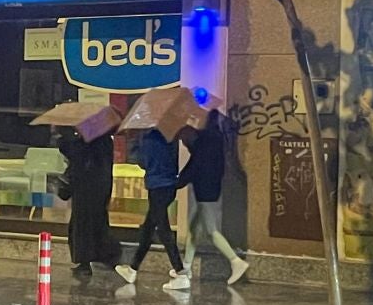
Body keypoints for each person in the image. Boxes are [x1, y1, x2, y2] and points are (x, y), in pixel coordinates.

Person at [177, 111, 248, 284]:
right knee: (194, 229)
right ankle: (186, 267)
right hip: (210, 188)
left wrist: (178, 182)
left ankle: (236, 261)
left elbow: (196, 165)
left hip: (205, 190)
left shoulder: (205, 141)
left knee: (211, 230)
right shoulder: (214, 139)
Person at [117, 128, 190, 292]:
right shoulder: (170, 136)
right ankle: (133, 269)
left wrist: (134, 142)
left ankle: (180, 273)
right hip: (169, 185)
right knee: (149, 227)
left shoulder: (148, 140)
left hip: (157, 186)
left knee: (163, 229)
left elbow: (142, 161)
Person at [57, 128, 119, 276]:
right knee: (98, 223)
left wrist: (62, 136)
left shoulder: (89, 143)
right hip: (100, 190)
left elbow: (74, 154)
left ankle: (85, 261)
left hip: (85, 190)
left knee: (82, 226)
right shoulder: (106, 142)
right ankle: (104, 256)